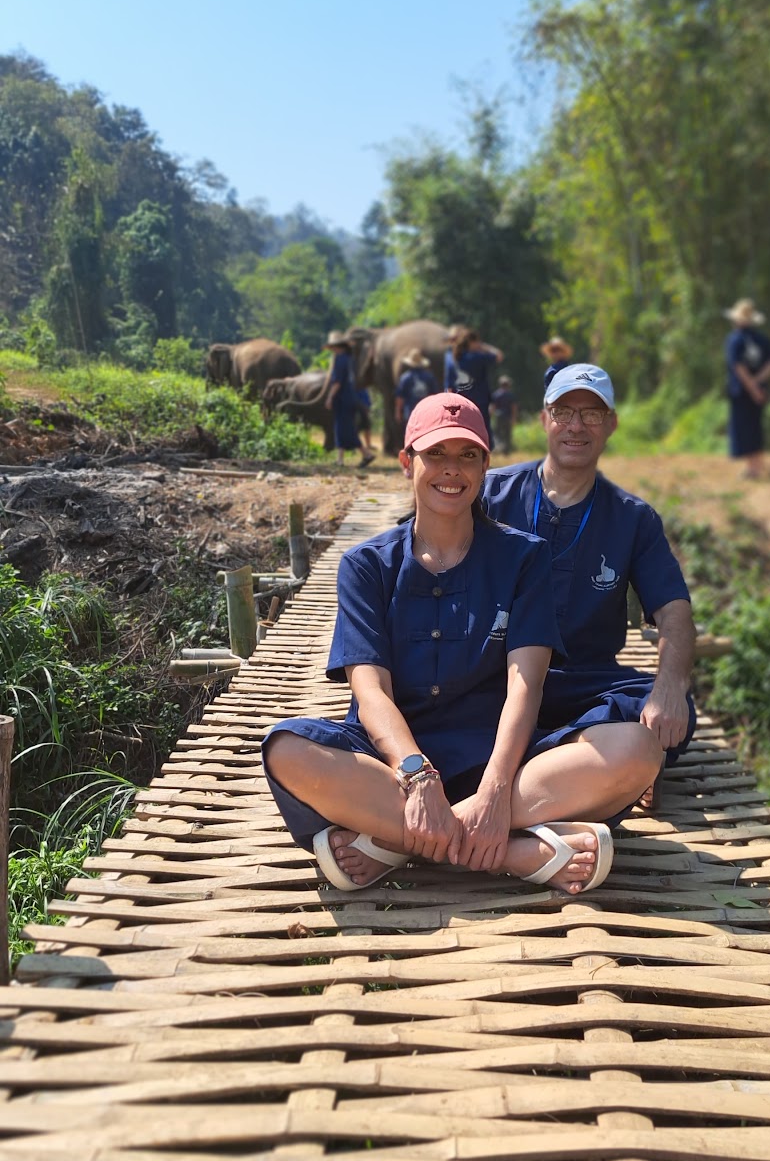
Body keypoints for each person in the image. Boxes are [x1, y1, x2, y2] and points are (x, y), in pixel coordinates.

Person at [263, 392, 661, 894]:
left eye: (467, 455)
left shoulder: (524, 557)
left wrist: (494, 790)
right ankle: (514, 854)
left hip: (502, 761)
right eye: (436, 454)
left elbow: (526, 683)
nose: (451, 470)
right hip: (391, 766)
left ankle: (399, 842)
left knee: (638, 748)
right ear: (408, 462)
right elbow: (370, 693)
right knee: (286, 749)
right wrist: (418, 776)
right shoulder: (366, 565)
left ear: (484, 466)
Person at [481, 363, 697, 801]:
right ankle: (592, 762)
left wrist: (671, 687)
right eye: (563, 411)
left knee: (675, 714)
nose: (575, 426)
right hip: (499, 674)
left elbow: (673, 609)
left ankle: (550, 752)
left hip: (585, 680)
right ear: (544, 419)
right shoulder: (490, 495)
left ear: (611, 424)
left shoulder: (632, 518)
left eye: (592, 414)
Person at [724, 298, 770, 480]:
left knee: (744, 429)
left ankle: (753, 468)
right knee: (755, 427)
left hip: (742, 391)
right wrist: (758, 383)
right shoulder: (762, 339)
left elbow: (738, 367)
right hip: (760, 391)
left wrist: (751, 387)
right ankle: (758, 464)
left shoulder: (735, 340)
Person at [322, 332, 375, 469]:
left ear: (337, 346)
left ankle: (366, 454)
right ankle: (340, 459)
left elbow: (337, 382)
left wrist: (330, 397)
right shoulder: (350, 359)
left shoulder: (340, 359)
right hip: (351, 398)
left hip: (342, 399)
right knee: (341, 428)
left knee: (347, 429)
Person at [446, 326, 504, 446]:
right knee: (482, 432)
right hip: (479, 402)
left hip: (461, 402)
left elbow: (449, 386)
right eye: (477, 342)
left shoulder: (454, 359)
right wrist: (484, 347)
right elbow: (499, 356)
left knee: (464, 431)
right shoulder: (478, 357)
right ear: (472, 342)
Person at [394, 347, 439, 431]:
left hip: (410, 414)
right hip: (426, 413)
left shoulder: (405, 378)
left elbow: (400, 397)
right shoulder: (429, 376)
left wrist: (398, 412)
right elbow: (435, 396)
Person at [490, 375, 518, 455]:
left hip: (498, 416)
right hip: (507, 416)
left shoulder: (496, 394)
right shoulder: (511, 395)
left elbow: (493, 407)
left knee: (497, 433)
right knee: (507, 434)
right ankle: (506, 451)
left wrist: (490, 416)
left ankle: (496, 449)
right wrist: (514, 418)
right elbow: (514, 407)